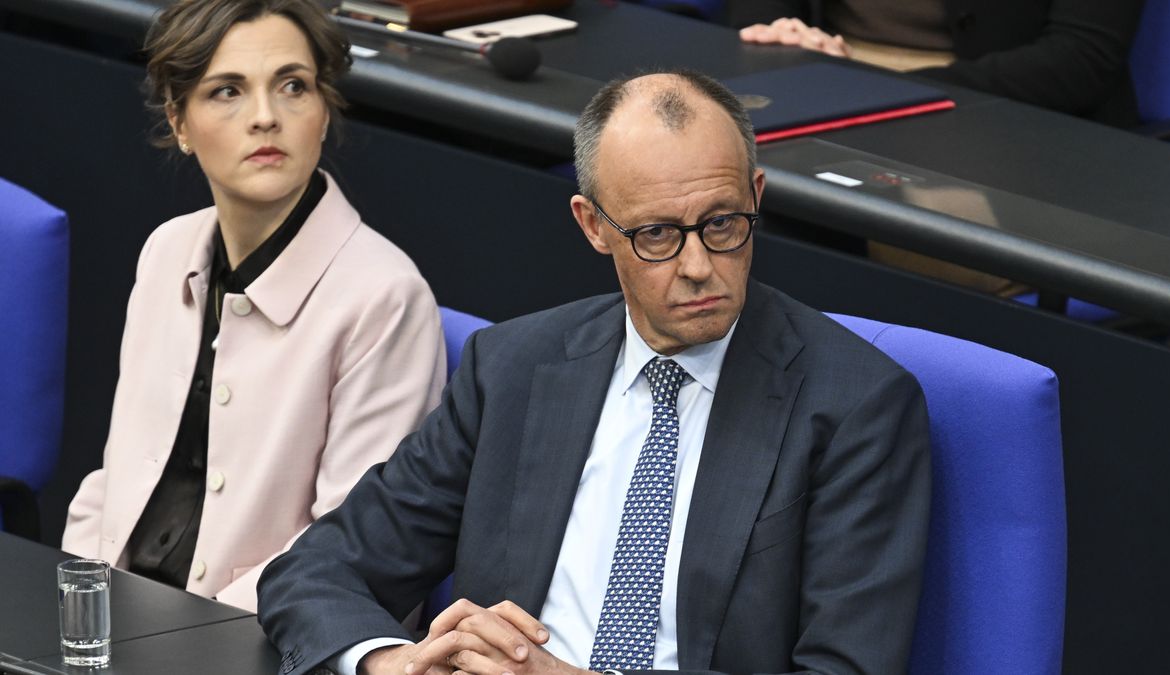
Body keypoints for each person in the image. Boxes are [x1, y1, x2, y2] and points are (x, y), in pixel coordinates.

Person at [257, 69, 932, 675]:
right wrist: (394, 664)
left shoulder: (855, 405)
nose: (699, 265)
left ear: (756, 195)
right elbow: (316, 573)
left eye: (723, 223)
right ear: (593, 225)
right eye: (657, 234)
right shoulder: (514, 368)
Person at [60, 0, 446, 612]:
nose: (266, 117)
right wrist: (79, 606)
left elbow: (346, 549)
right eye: (227, 91)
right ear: (180, 123)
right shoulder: (167, 249)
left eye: (293, 86)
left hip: (262, 633)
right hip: (121, 618)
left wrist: (187, 641)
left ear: (324, 112)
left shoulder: (386, 297)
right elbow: (116, 477)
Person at [732, 0, 1146, 128]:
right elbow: (756, 14)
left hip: (999, 113)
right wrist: (785, 39)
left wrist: (867, 87)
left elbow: (1082, 59)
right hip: (824, 76)